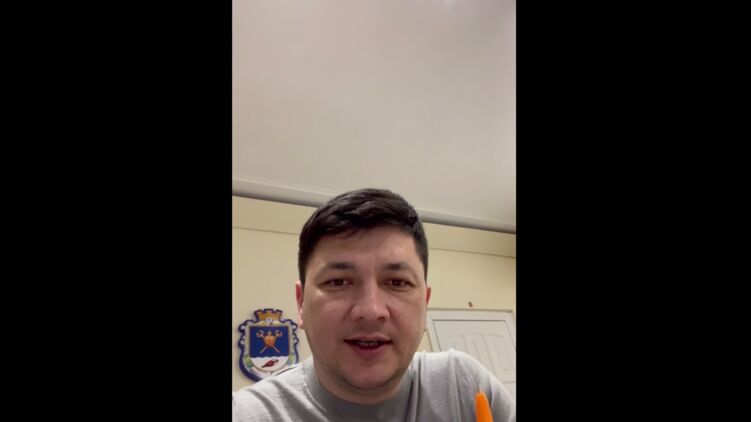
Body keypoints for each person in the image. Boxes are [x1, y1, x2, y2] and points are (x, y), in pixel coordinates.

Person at [233, 188, 516, 421]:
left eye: (397, 283)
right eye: (338, 282)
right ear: (301, 303)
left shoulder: (463, 387)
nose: (371, 311)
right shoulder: (247, 414)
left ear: (425, 304)